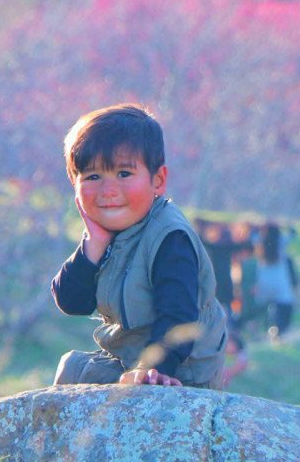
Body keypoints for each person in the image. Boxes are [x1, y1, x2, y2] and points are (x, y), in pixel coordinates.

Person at [51, 104, 228, 389]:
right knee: (71, 368)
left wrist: (154, 370)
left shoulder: (170, 237)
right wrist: (93, 245)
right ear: (75, 184)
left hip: (181, 368)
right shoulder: (111, 234)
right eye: (93, 177)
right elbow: (72, 302)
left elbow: (178, 314)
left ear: (157, 181)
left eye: (123, 174)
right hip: (129, 357)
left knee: (88, 380)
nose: (108, 191)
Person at [253, 221, 297, 340]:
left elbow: (251, 232)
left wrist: (259, 226)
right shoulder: (281, 241)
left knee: (266, 306)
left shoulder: (259, 241)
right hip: (280, 281)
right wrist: (283, 225)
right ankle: (279, 330)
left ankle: (266, 328)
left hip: (264, 281)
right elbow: (293, 232)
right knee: (284, 305)